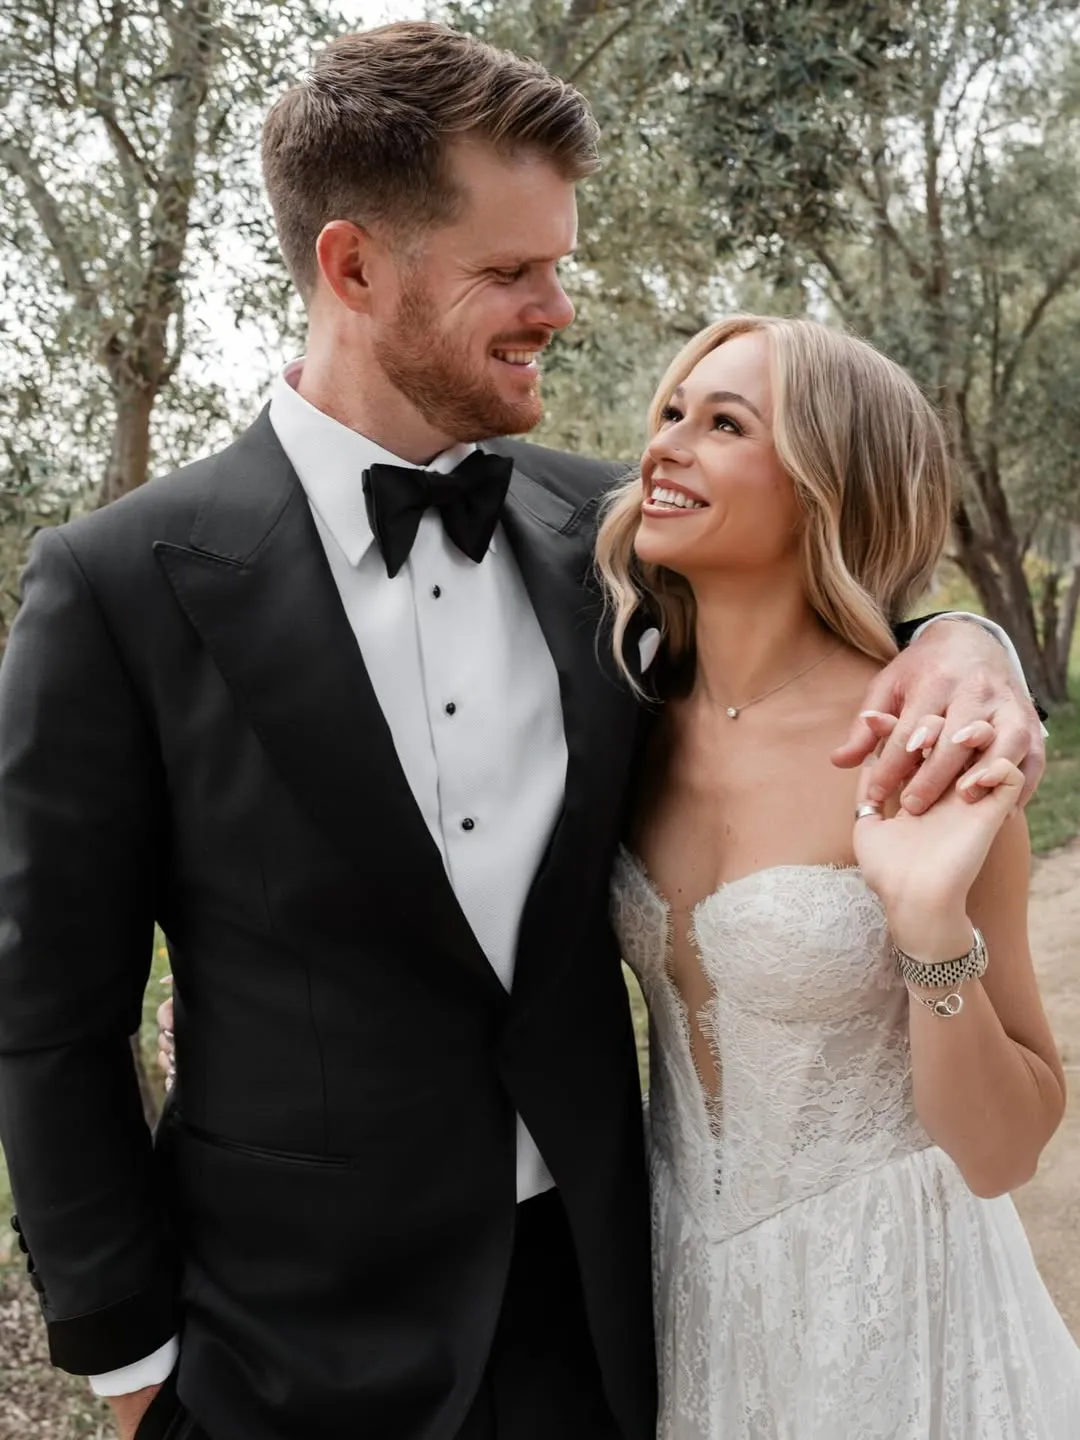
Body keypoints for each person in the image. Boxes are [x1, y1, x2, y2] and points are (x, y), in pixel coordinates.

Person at [0, 22, 1044, 1440]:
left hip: (606, 1318)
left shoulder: (605, 531)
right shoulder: (119, 583)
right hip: (284, 1343)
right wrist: (128, 1364)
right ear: (355, 266)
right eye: (511, 271)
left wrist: (968, 645)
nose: (558, 304)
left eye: (558, 261)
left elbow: (820, 597)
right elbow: (52, 1016)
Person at [599, 315, 1080, 1437]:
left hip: (898, 1303)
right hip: (683, 1302)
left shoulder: (928, 737)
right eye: (671, 412)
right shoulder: (620, 724)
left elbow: (1006, 1149)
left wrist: (925, 923)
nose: (668, 444)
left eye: (725, 424)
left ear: (829, 484)